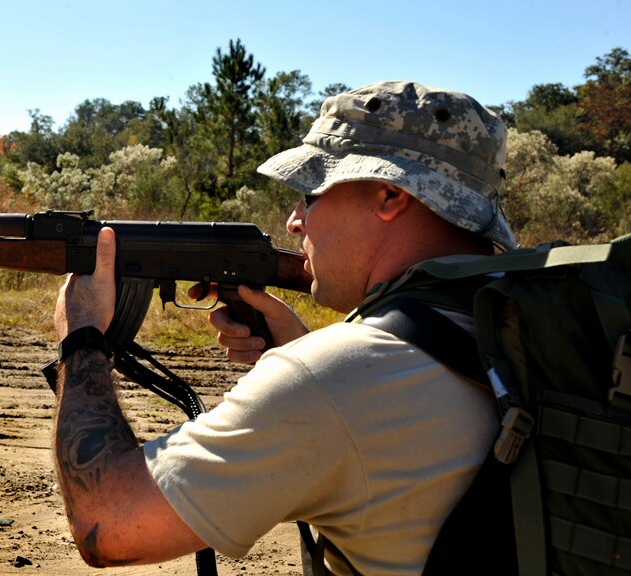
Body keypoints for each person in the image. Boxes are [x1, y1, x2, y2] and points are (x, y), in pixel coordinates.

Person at [51, 80, 517, 575]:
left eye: (312, 192)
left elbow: (109, 523)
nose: (295, 222)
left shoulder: (333, 382)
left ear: (389, 195)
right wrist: (305, 351)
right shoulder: (536, 325)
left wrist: (82, 336)